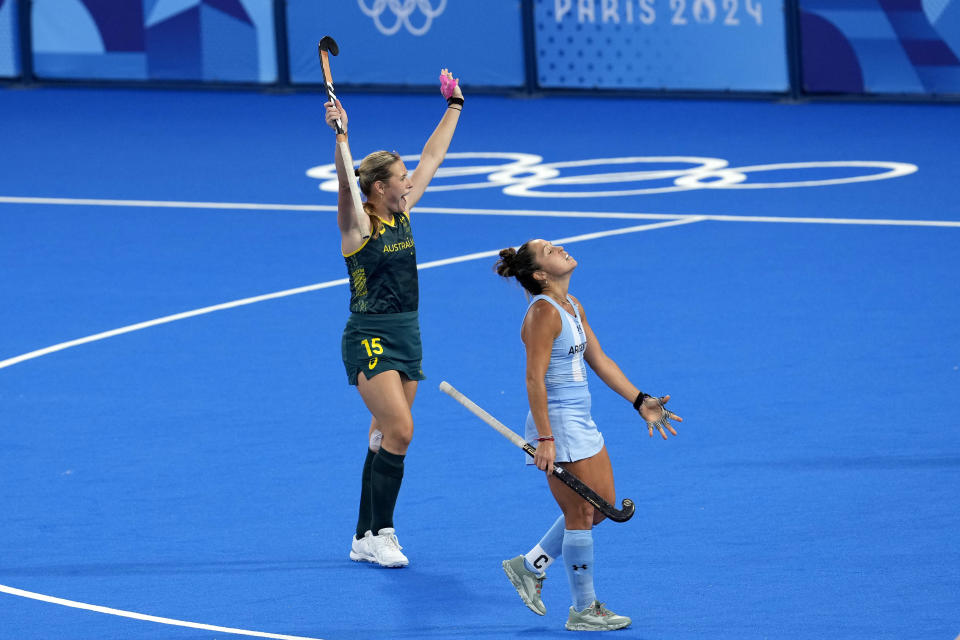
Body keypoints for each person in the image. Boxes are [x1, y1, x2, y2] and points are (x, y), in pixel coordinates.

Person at [494, 239, 682, 631]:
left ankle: (529, 566)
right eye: (548, 250)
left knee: (602, 506)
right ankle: (583, 609)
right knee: (581, 512)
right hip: (558, 423)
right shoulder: (542, 314)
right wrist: (546, 437)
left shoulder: (572, 305)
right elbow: (534, 379)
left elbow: (599, 359)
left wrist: (639, 400)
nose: (559, 247)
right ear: (541, 275)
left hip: (582, 418)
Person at [324, 69, 464, 568]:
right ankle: (382, 531)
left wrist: (454, 106)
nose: (410, 181)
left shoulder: (402, 211)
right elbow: (345, 189)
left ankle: (363, 536)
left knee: (383, 435)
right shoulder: (357, 226)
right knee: (400, 431)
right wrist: (341, 137)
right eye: (401, 178)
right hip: (369, 337)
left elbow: (433, 158)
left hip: (408, 334)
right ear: (379, 187)